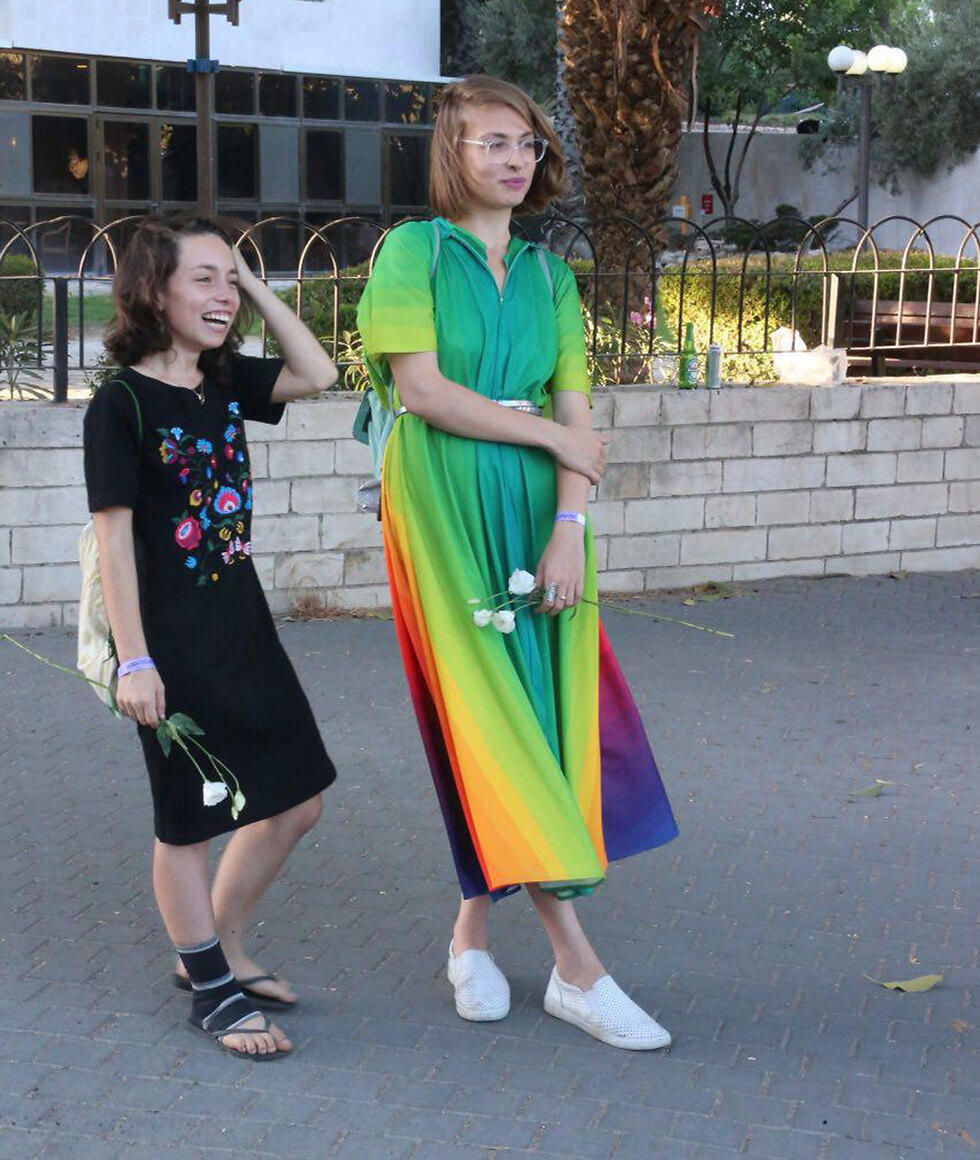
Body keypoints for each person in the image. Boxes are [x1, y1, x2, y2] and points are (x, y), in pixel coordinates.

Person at [357, 76, 679, 1050]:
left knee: (535, 711)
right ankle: (576, 968)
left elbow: (578, 418)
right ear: (450, 152)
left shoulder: (551, 275)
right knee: (484, 712)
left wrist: (569, 526)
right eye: (490, 141)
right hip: (443, 502)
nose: (511, 158)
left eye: (527, 144)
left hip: (540, 510)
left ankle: (467, 937)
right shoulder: (409, 250)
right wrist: (549, 435)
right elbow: (424, 391)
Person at [83, 214, 338, 1059]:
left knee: (295, 799)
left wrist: (253, 283)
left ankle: (212, 954)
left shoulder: (223, 381)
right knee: (187, 820)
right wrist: (137, 658)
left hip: (243, 621)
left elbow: (320, 372)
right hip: (169, 639)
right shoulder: (119, 403)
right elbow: (114, 535)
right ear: (153, 291)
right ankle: (212, 991)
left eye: (229, 280)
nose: (222, 295)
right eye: (205, 279)